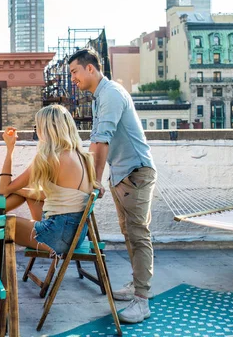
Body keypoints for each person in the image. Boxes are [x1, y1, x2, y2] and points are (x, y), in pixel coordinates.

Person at [0, 104, 98, 310]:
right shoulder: (82, 156)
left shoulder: (48, 157)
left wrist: (9, 149)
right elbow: (50, 195)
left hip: (58, 237)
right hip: (76, 233)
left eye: (36, 126)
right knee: (31, 196)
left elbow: (4, 188)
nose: (36, 130)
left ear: (45, 128)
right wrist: (24, 192)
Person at [69, 48, 157, 324]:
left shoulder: (111, 94)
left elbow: (102, 141)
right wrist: (94, 179)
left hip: (136, 172)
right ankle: (138, 284)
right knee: (129, 233)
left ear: (90, 69)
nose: (72, 78)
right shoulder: (99, 98)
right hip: (121, 173)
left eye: (74, 72)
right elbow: (96, 141)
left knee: (138, 234)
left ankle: (141, 301)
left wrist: (93, 181)